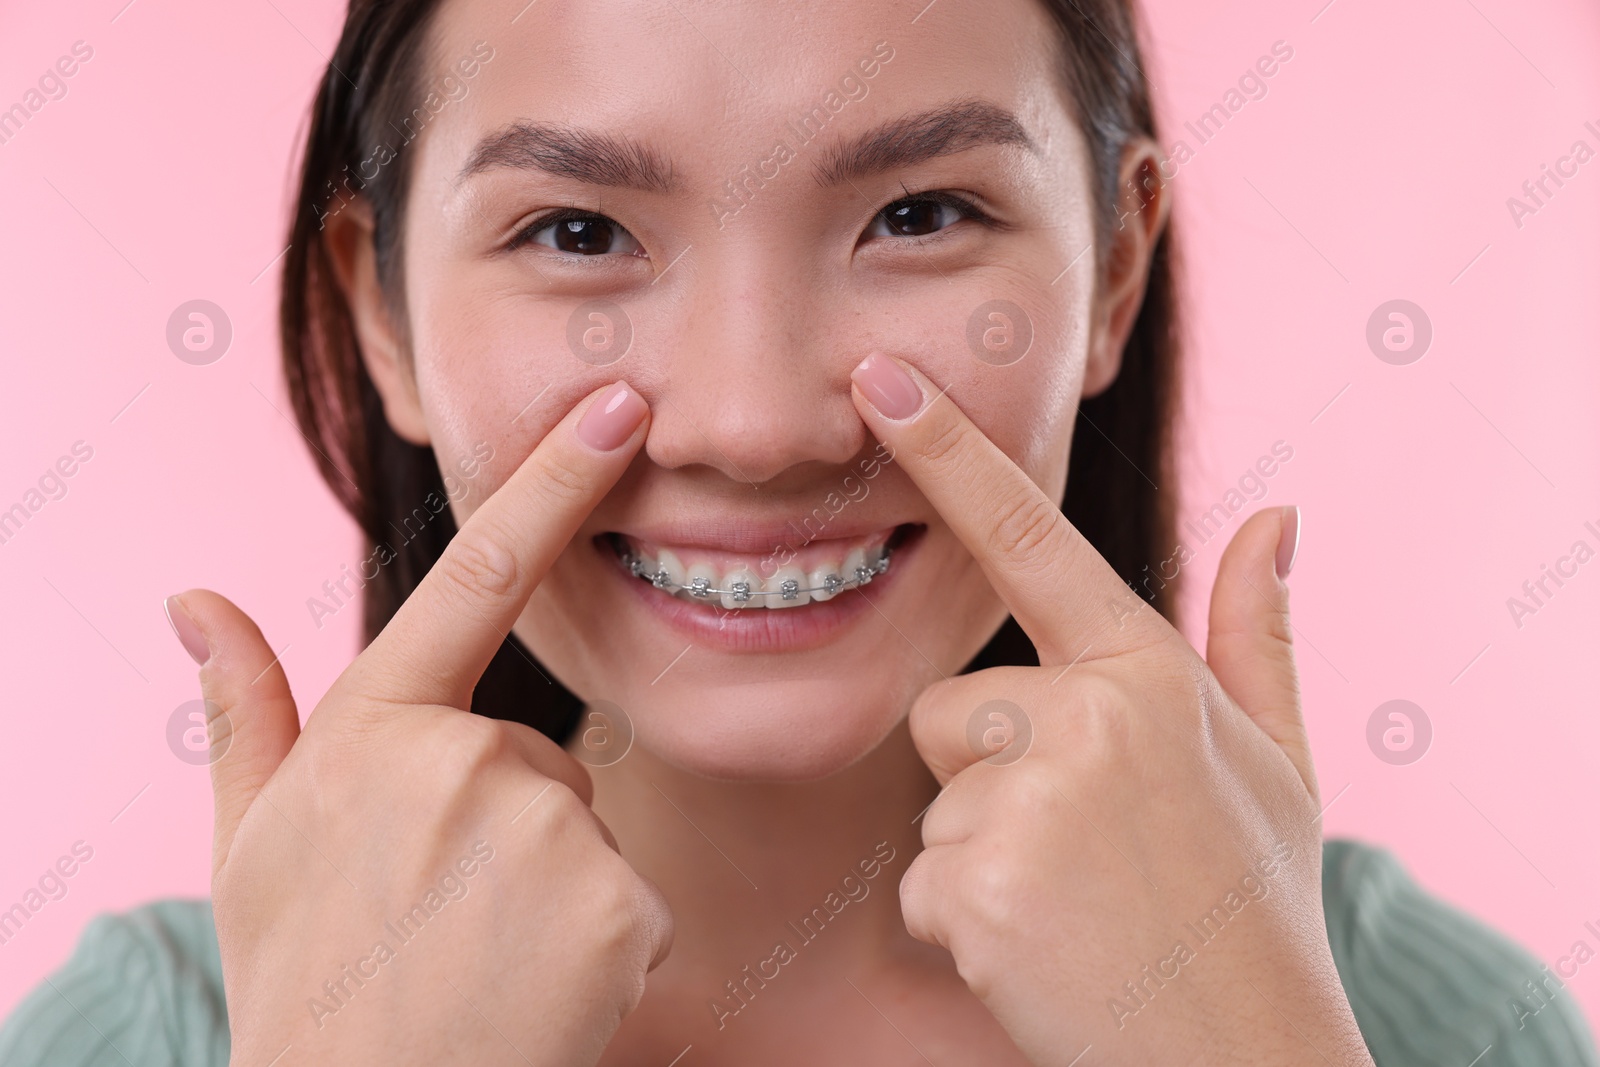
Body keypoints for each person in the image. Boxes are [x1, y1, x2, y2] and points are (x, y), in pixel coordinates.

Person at [3, 0, 1595, 1063]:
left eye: (919, 215)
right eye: (576, 231)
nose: (757, 423)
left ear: (1114, 273)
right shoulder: (153, 1033)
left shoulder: (1416, 1021)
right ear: (383, 315)